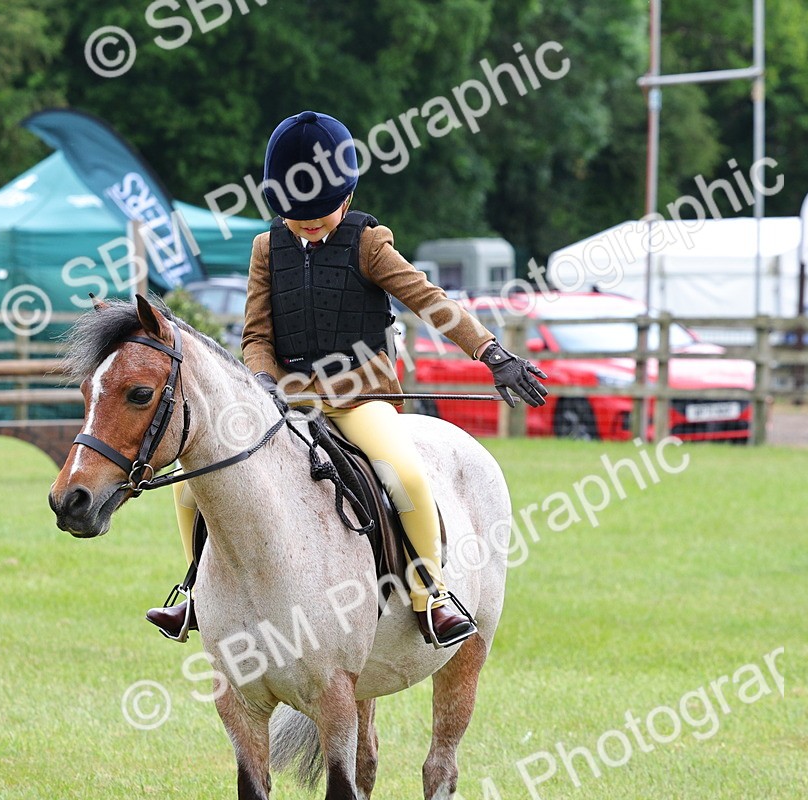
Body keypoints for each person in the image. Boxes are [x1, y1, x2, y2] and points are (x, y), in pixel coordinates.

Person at [146, 111, 547, 648]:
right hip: (284, 402)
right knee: (195, 484)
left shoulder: (369, 244)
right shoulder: (267, 249)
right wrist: (263, 381)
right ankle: (195, 592)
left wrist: (491, 352)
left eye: (320, 213)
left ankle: (431, 595)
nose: (308, 224)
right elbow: (257, 335)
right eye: (296, 215)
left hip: (359, 399)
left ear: (348, 196)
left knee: (404, 474)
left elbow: (430, 302)